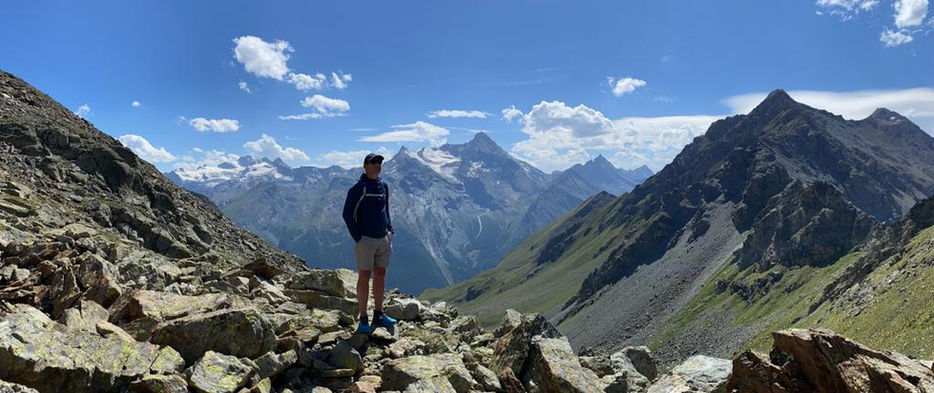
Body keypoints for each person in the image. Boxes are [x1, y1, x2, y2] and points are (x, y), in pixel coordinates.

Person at [342, 153, 397, 334]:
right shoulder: (358, 188)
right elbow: (347, 214)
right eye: (373, 162)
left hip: (383, 238)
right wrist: (357, 237)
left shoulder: (384, 186)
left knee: (380, 274)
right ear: (365, 166)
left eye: (379, 162)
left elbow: (385, 210)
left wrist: (390, 230)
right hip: (365, 239)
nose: (377, 165)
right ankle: (363, 318)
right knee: (364, 277)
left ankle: (379, 314)